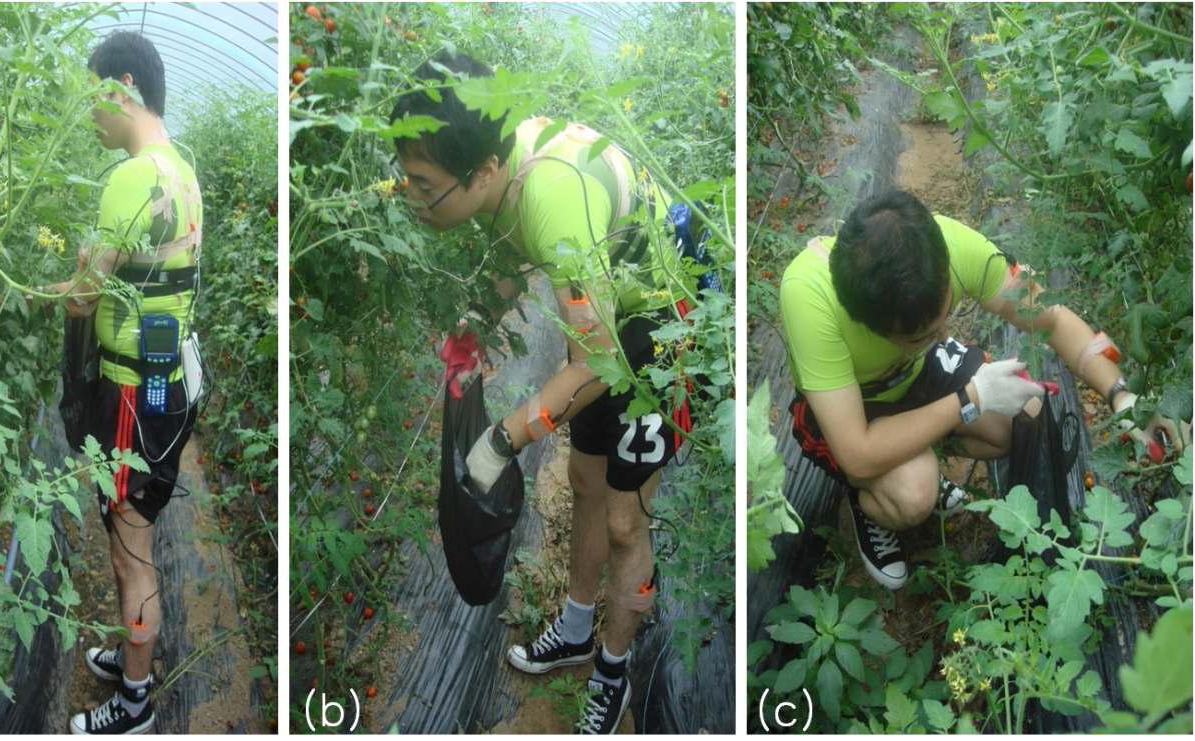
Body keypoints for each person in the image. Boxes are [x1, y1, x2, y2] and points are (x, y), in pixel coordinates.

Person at [390, 51, 705, 734]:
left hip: (668, 325)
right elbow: (514, 250)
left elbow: (600, 357)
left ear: (481, 172)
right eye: (406, 176)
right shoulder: (505, 166)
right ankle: (575, 626)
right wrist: (475, 329)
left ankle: (613, 673)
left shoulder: (555, 200)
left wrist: (503, 439)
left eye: (422, 182)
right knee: (588, 480)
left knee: (627, 518)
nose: (411, 195)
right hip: (607, 311)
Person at [779, 189, 1184, 590]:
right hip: (857, 405)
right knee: (914, 492)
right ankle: (871, 501)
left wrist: (1122, 395)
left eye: (944, 321)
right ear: (869, 323)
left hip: (917, 373)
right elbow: (859, 454)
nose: (944, 335)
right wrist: (971, 400)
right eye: (923, 335)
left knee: (1021, 415)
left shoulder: (949, 246)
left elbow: (1054, 322)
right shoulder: (810, 297)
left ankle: (919, 445)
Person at [0, 30, 203, 734]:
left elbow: (83, 297)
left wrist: (13, 291)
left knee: (130, 552)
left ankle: (134, 706)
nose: (91, 116)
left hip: (131, 402)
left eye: (94, 98)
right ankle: (130, 651)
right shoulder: (180, 169)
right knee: (134, 534)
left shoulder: (131, 177)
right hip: (165, 388)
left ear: (121, 88)